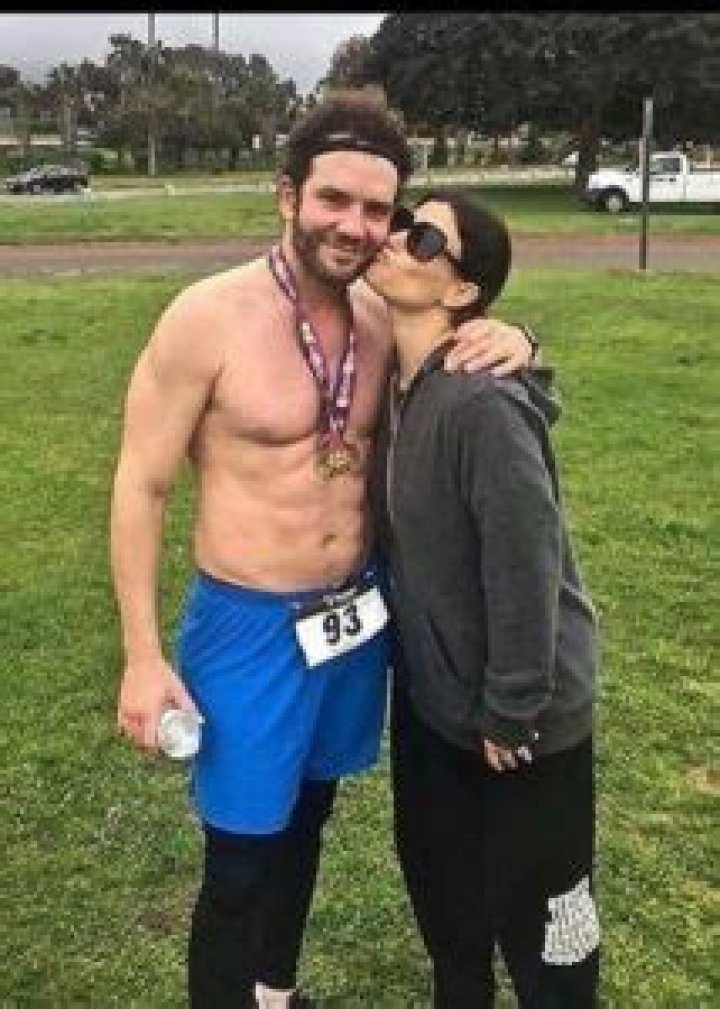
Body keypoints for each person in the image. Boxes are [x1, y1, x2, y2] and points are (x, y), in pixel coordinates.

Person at [111, 92, 535, 1009]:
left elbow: (481, 370)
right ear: (287, 196)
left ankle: (272, 990)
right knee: (240, 859)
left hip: (353, 618)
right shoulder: (206, 317)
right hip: (250, 625)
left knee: (309, 818)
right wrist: (142, 657)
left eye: (377, 209)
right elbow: (140, 485)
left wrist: (518, 332)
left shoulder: (388, 317)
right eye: (333, 198)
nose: (354, 225)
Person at [366, 189, 600, 1008]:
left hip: (524, 719)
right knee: (445, 895)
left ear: (463, 289)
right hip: (436, 705)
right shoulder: (399, 378)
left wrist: (512, 706)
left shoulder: (482, 401)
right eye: (403, 222)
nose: (398, 239)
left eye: (424, 239)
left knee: (550, 927)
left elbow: (525, 561)